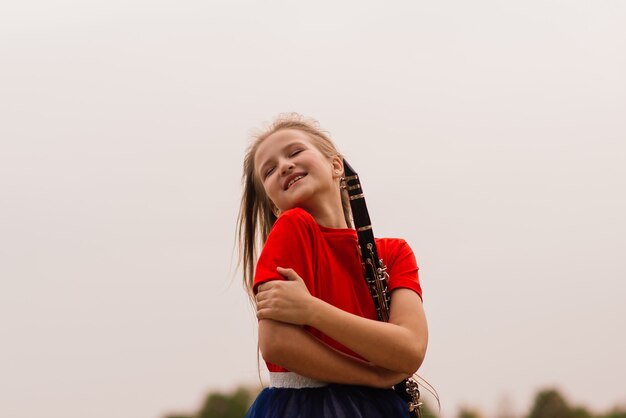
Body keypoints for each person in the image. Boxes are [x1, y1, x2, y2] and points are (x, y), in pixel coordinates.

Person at [237, 113, 428, 418]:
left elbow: (410, 350)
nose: (284, 165)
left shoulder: (394, 253)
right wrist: (374, 377)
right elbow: (275, 343)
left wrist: (311, 310)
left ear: (335, 165)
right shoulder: (293, 227)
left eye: (295, 152)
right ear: (275, 206)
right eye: (269, 170)